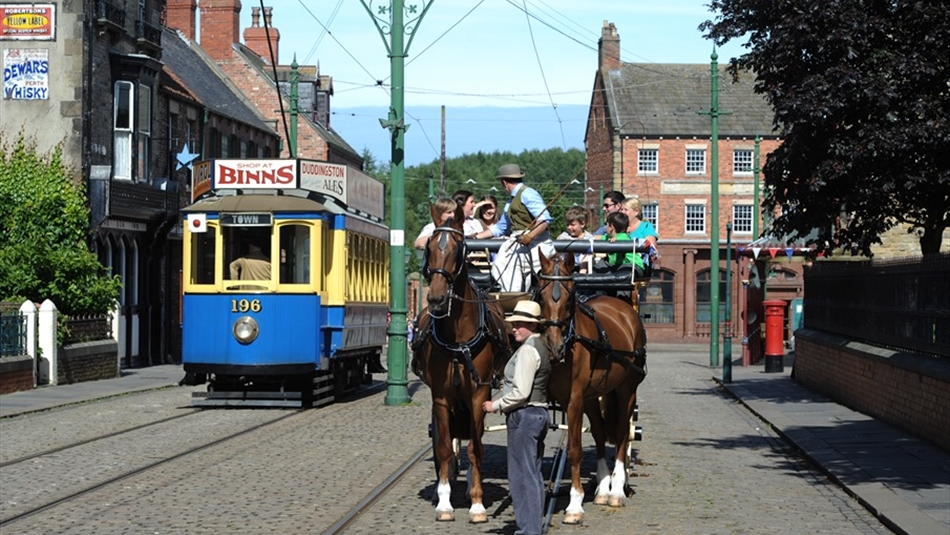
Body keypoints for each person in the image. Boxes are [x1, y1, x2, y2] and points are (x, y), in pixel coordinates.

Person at [481, 300, 551, 535]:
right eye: (514, 324)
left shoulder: (529, 351)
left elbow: (521, 392)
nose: (515, 328)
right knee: (532, 473)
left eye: (520, 324)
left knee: (522, 476)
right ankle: (532, 526)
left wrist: (496, 405)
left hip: (524, 416)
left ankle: (529, 530)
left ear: (532, 325)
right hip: (538, 415)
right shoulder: (540, 345)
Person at [471, 163, 553, 292]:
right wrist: (476, 237)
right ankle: (510, 296)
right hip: (518, 242)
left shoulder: (528, 194)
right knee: (500, 266)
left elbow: (544, 220)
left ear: (504, 183)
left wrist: (530, 236)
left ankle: (518, 297)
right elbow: (500, 228)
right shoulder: (511, 201)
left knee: (538, 277)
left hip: (537, 242)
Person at [413, 197, 480, 249]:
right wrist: (437, 237)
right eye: (449, 212)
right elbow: (417, 243)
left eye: (454, 212)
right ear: (439, 213)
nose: (453, 215)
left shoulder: (463, 227)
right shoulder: (432, 227)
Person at [556, 205, 594, 271]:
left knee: (588, 256)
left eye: (572, 225)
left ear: (582, 224)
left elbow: (592, 250)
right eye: (567, 225)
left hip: (581, 265)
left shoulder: (588, 237)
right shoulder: (565, 235)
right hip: (566, 266)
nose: (569, 227)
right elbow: (558, 240)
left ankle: (582, 276)